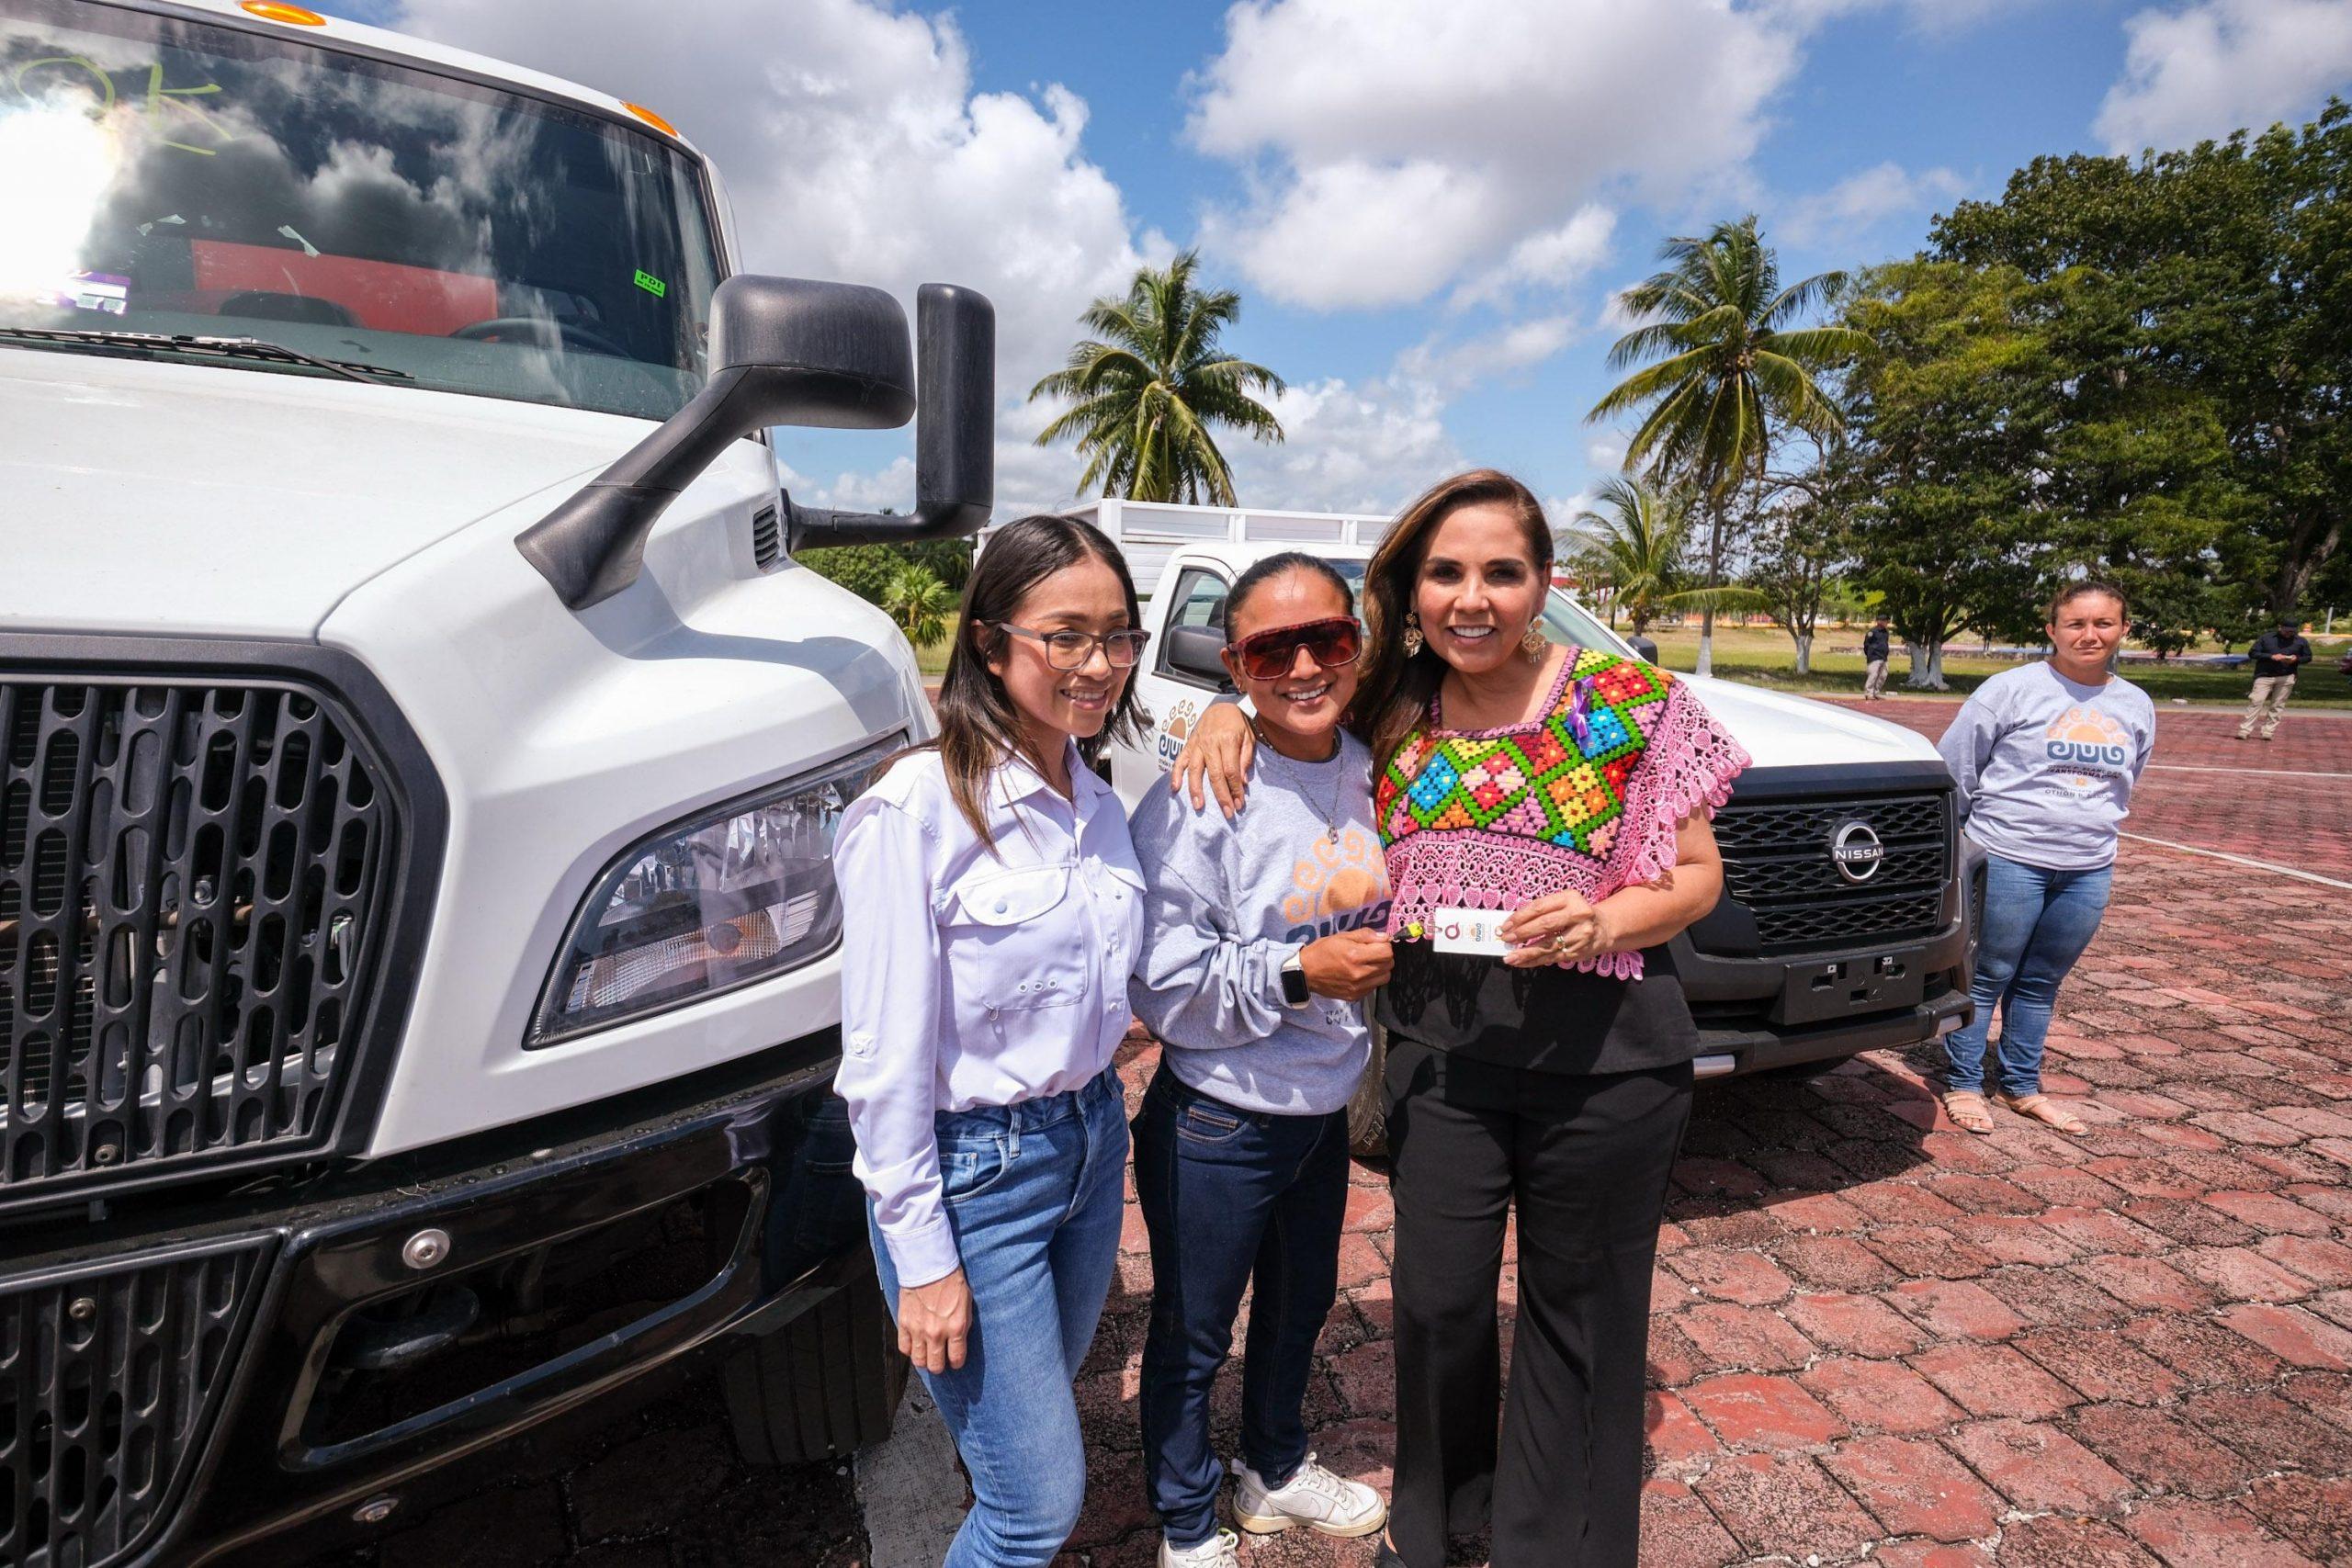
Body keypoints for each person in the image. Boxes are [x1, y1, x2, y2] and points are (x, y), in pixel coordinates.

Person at [1170, 470, 1748, 1568]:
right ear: (1412, 588)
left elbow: (1696, 877)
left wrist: (1605, 912)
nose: (1470, 597)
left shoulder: (1629, 702)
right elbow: (1286, 702)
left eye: (1500, 572)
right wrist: (1217, 710)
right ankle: (1437, 1528)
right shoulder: (1393, 706)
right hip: (1443, 1061)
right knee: (1435, 1307)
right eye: (1445, 572)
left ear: (1543, 584)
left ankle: (1554, 1542)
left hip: (1608, 1060)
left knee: (1580, 1312)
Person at [832, 513, 1152, 1568]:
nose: (1097, 664)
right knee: (1034, 1506)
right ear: (988, 639)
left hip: (1092, 1146)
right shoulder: (917, 807)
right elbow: (880, 1062)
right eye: (1065, 635)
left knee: (1019, 1445)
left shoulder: (1098, 803)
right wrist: (922, 1262)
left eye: (1117, 635)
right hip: (976, 1177)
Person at [1127, 553, 1394, 1566]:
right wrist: (1297, 974)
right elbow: (1159, 983)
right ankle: (1188, 1521)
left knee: (1299, 1307)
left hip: (1320, 1108)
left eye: (1325, 639)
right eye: (1269, 649)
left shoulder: (1377, 769)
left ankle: (1274, 1471)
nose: (1302, 667)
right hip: (1218, 1118)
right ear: (1235, 665)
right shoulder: (1207, 789)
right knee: (1194, 1338)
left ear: (1357, 648)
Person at [1935, 581, 2154, 1138]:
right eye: (2075, 623)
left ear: (2123, 630)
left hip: (2087, 866)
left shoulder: (2134, 704)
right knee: (1988, 974)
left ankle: (2021, 1087)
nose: (2090, 634)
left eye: (2103, 623)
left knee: (2041, 981)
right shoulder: (2010, 691)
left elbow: (2128, 779)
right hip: (2010, 856)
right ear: (2051, 629)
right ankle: (1963, 1082)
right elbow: (1956, 769)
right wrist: (1963, 846)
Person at [2237, 615, 2312, 740]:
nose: (2289, 634)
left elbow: (2308, 657)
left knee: (2277, 705)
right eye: (2287, 631)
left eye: (2292, 631)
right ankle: (2245, 730)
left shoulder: (2301, 641)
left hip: (2286, 676)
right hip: (2264, 675)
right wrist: (2271, 656)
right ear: (2280, 628)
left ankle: (2268, 731)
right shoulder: (2266, 638)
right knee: (2256, 701)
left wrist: (2296, 659)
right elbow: (2253, 653)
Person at [1862, 614, 1892, 700]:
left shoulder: (1885, 632)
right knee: (1873, 675)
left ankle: (1876, 692)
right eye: (1885, 621)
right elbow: (1866, 644)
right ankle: (1869, 693)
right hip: (1874, 657)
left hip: (1883, 657)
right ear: (1879, 621)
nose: (1886, 623)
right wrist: (1870, 654)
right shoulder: (1872, 632)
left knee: (1883, 675)